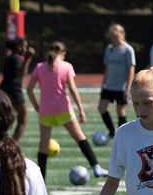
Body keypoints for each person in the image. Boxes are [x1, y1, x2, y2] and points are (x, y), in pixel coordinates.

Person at [26, 41, 107, 180]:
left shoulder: (39, 67)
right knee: (80, 138)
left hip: (46, 111)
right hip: (63, 109)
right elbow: (73, 89)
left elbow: (29, 89)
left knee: (43, 146)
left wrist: (36, 107)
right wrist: (81, 109)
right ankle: (96, 167)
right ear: (63, 54)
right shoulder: (67, 66)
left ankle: (42, 180)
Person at [99, 23, 136, 140]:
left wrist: (127, 87)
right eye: (112, 37)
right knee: (101, 107)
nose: (114, 39)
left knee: (120, 109)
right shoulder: (109, 49)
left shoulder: (128, 50)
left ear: (122, 35)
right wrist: (103, 83)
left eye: (116, 36)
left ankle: (122, 135)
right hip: (109, 85)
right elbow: (107, 67)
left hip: (121, 86)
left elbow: (131, 69)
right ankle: (111, 131)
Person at [0, 36, 36, 141]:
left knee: (7, 119)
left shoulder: (9, 58)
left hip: (5, 89)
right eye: (24, 47)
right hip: (14, 91)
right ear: (19, 47)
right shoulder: (16, 58)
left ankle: (2, 141)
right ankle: (14, 143)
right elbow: (19, 73)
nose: (25, 49)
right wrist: (29, 57)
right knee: (23, 119)